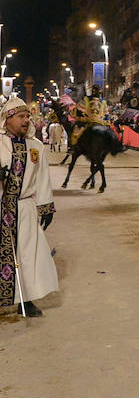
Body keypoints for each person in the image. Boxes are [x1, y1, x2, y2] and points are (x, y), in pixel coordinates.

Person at [0, 97, 59, 317]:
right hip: (1, 206)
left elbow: (43, 178)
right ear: (8, 119)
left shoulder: (36, 147)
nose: (26, 120)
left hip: (24, 209)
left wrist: (46, 206)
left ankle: (26, 299)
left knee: (27, 255)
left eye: (27, 117)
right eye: (21, 116)